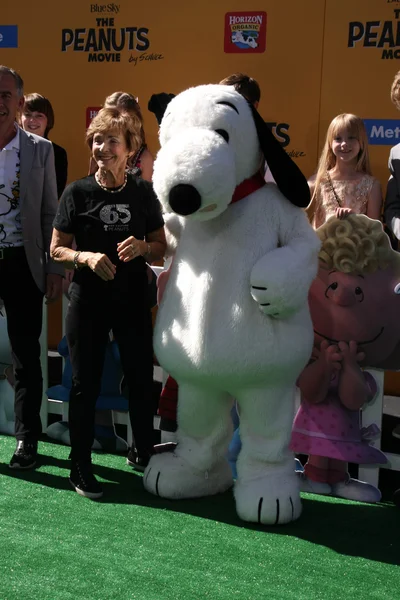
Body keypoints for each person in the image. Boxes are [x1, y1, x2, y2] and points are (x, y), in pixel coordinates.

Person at [50, 107, 166, 499]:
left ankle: (143, 453)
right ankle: (79, 465)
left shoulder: (143, 193)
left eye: (112, 141)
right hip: (88, 302)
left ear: (131, 149)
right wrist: (84, 257)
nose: (102, 147)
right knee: (84, 385)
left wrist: (143, 246)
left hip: (132, 300)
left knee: (138, 379)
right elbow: (56, 249)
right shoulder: (77, 192)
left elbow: (161, 246)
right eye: (97, 140)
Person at [0, 65, 63, 469]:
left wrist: (55, 266)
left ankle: (27, 440)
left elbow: (50, 213)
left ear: (20, 103)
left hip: (24, 262)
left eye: (5, 95)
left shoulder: (41, 150)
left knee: (26, 354)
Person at [307, 113, 383, 229]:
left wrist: (355, 219)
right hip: (321, 247)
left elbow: (375, 231)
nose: (344, 144)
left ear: (361, 142)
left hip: (357, 246)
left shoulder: (372, 186)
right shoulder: (316, 182)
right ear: (330, 144)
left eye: (351, 138)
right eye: (338, 138)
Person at [89, 92, 154, 181]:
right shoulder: (100, 151)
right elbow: (90, 185)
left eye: (119, 117)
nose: (114, 121)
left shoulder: (144, 159)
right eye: (108, 115)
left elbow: (147, 192)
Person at [20, 93, 68, 198]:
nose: (32, 120)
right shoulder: (8, 148)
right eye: (27, 115)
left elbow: (55, 193)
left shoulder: (58, 153)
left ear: (48, 120)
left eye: (39, 116)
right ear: (20, 118)